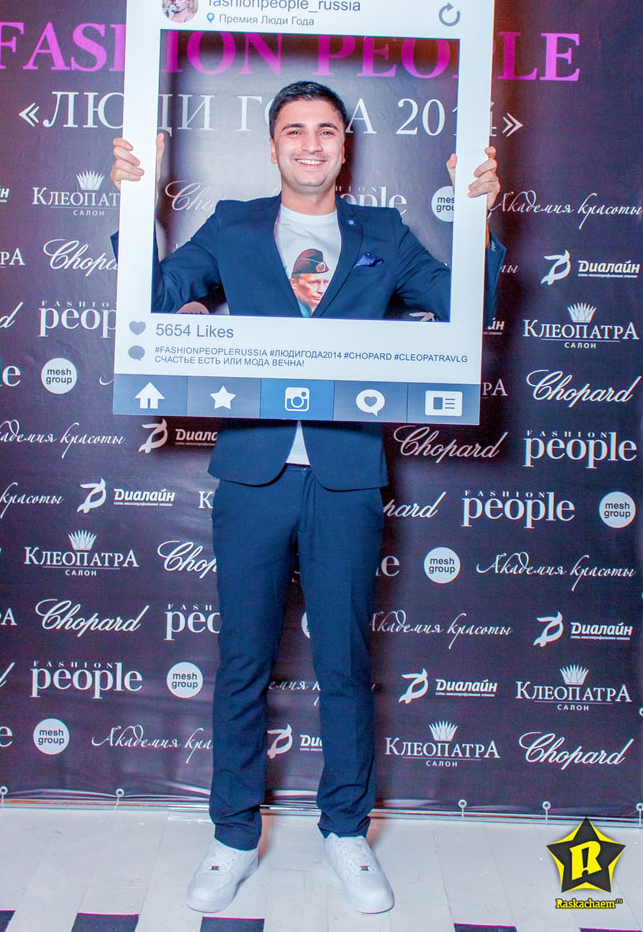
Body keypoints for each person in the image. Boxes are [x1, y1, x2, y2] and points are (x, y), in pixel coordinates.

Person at [111, 80, 503, 915]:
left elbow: (465, 307)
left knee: (345, 666)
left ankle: (346, 831)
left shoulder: (383, 234)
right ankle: (231, 835)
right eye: (295, 129)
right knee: (243, 660)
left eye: (326, 129)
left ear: (345, 147)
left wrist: (480, 219)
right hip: (254, 474)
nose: (311, 143)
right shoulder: (234, 226)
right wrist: (136, 203)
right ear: (273, 144)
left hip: (345, 474)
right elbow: (153, 296)